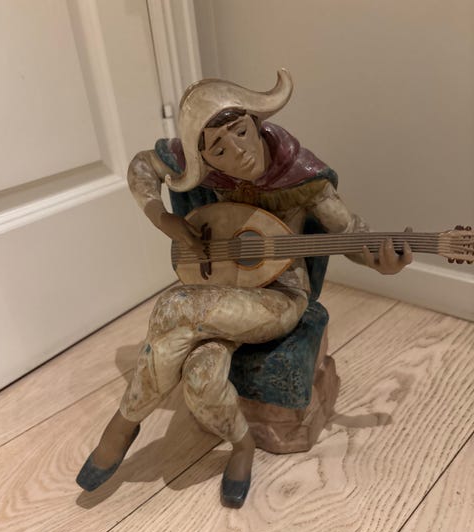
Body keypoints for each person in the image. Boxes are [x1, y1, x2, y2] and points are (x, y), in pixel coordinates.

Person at [76, 70, 412, 507]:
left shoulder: (302, 176)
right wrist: (164, 219)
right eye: (219, 149)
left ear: (256, 122)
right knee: (201, 377)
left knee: (174, 306)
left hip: (278, 296)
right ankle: (242, 445)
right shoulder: (200, 166)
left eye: (241, 132)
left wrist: (381, 262)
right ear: (205, 158)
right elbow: (143, 165)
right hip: (222, 282)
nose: (238, 151)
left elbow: (351, 233)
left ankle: (122, 426)